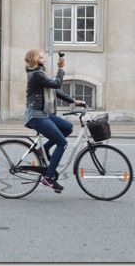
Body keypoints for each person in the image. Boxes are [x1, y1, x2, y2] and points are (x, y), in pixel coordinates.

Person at [23, 49, 84, 191]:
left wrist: (73, 101)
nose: (44, 59)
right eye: (41, 57)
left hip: (42, 113)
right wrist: (61, 69)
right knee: (62, 143)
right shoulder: (36, 74)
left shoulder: (38, 73)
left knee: (68, 127)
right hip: (36, 116)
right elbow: (56, 84)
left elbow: (54, 90)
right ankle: (48, 178)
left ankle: (43, 149)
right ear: (34, 59)